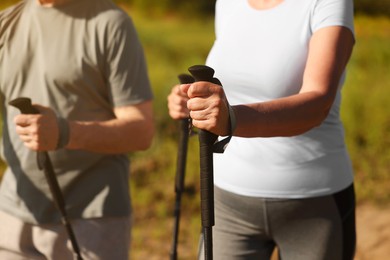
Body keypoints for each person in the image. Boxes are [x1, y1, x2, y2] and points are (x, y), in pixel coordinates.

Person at [168, 0, 356, 259]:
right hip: (227, 203)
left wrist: (232, 119)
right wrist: (196, 103)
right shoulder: (228, 3)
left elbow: (318, 103)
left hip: (313, 204)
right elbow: (238, 80)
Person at [0, 0, 154, 259]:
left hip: (92, 217)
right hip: (13, 211)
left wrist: (64, 132)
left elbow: (141, 130)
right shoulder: (6, 23)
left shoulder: (111, 24)